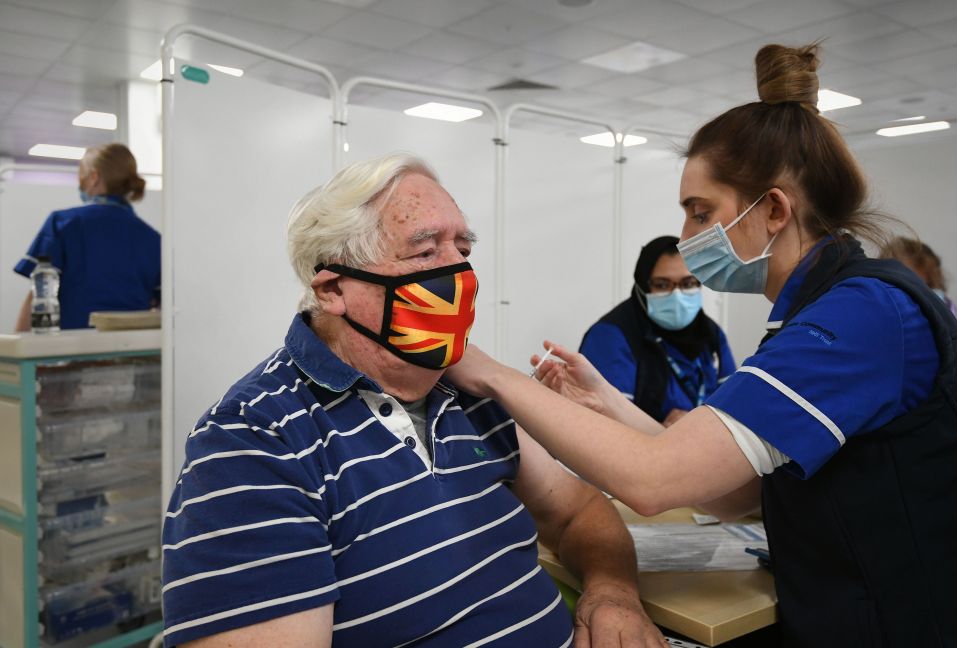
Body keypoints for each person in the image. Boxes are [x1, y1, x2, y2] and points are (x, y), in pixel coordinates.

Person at [445, 43, 957, 647]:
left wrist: (484, 370)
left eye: (699, 212)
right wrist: (607, 401)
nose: (688, 238)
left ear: (772, 209)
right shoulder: (820, 312)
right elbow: (734, 491)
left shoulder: (860, 317)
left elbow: (653, 482)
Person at [160, 154, 665, 647]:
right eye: (425, 253)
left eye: (463, 249)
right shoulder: (255, 440)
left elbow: (577, 513)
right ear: (334, 288)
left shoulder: (465, 391)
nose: (461, 276)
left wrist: (612, 594)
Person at [580, 236, 735, 426]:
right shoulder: (609, 337)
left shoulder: (711, 333)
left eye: (688, 283)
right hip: (636, 453)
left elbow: (734, 408)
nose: (677, 295)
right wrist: (660, 432)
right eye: (662, 285)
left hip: (705, 449)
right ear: (643, 287)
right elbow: (603, 426)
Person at [13, 143, 160, 331]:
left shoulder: (63, 223)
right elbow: (157, 306)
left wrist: (15, 350)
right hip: (132, 351)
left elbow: (39, 294)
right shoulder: (153, 239)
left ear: (93, 177)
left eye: (80, 175)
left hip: (73, 350)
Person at [880, 236, 957, 323]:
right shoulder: (880, 311)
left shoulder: (950, 312)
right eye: (909, 289)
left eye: (929, 286)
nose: (921, 296)